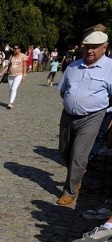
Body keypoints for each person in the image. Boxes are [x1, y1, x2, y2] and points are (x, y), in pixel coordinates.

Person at [56, 30, 112, 206]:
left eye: (95, 48)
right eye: (87, 47)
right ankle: (76, 176)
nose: (90, 51)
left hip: (93, 117)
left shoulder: (110, 68)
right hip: (68, 116)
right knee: (64, 151)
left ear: (105, 48)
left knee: (79, 155)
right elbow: (63, 90)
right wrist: (72, 102)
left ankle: (70, 191)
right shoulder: (74, 66)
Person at [4, 44, 27, 109]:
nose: (14, 50)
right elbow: (8, 65)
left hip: (18, 74)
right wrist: (2, 72)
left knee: (14, 88)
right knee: (10, 89)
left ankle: (11, 103)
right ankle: (10, 101)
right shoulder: (12, 56)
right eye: (14, 48)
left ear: (19, 49)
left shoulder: (23, 56)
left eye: (16, 48)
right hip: (10, 74)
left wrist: (24, 74)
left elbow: (25, 66)